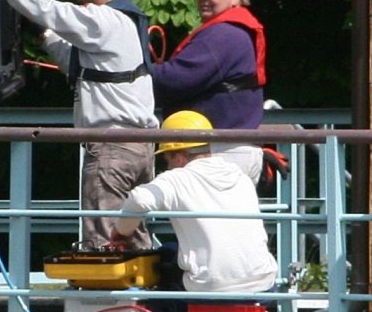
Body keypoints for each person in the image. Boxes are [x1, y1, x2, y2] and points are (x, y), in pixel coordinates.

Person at [0, 0, 158, 249]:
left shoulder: (104, 19)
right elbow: (82, 64)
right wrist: (43, 35)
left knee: (105, 242)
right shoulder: (127, 23)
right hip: (138, 149)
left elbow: (49, 10)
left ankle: (107, 298)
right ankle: (141, 296)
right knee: (132, 240)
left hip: (112, 149)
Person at [114, 110, 278, 293]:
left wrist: (121, 232)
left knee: (161, 267)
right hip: (264, 283)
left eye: (168, 159)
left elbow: (139, 200)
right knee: (171, 250)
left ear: (179, 156)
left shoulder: (177, 178)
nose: (167, 166)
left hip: (210, 286)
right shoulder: (240, 176)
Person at [151, 0, 266, 185]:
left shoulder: (224, 35)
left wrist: (136, 73)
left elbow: (175, 80)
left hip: (221, 153)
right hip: (228, 150)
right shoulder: (232, 31)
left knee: (207, 223)